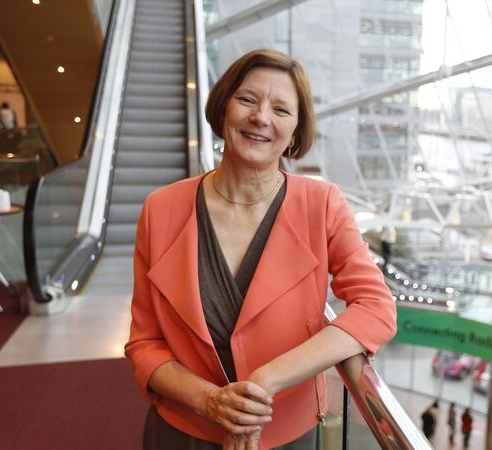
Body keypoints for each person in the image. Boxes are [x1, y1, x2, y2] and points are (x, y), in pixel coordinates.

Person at [125, 48, 396, 450]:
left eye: (281, 110)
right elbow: (144, 344)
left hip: (287, 434)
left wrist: (266, 381)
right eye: (248, 99)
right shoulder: (160, 208)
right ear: (224, 108)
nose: (261, 117)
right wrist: (210, 401)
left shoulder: (322, 205)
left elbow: (376, 308)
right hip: (184, 431)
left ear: (295, 132)